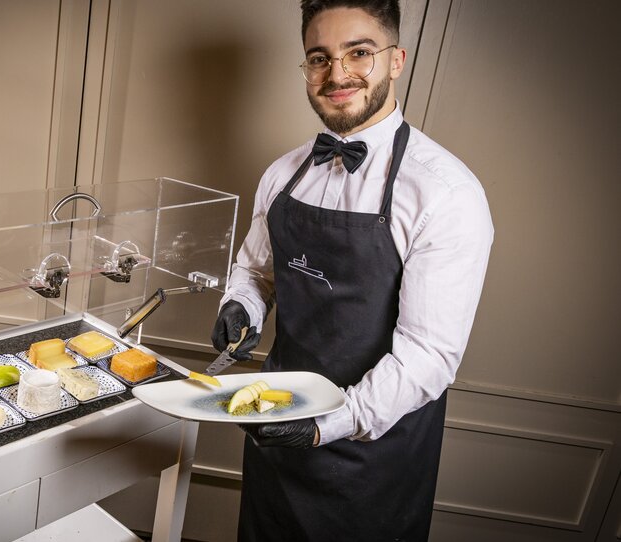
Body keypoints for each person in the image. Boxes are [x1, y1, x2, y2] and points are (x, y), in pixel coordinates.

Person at [210, 0, 493, 540]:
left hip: (374, 455)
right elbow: (256, 270)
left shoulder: (446, 192)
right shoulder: (283, 173)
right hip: (276, 427)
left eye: (358, 53)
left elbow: (429, 355)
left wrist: (325, 426)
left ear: (396, 60)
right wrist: (241, 304)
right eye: (319, 58)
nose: (337, 75)